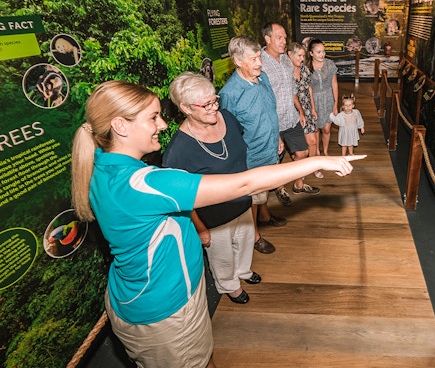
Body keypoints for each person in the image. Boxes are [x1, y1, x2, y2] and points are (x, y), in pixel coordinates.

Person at [71, 79, 362, 368]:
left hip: (138, 297)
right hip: (166, 307)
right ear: (120, 126)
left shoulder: (102, 166)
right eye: (153, 117)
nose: (161, 125)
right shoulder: (146, 184)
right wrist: (318, 162)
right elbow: (244, 184)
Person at [162, 72, 260, 304]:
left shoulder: (227, 117)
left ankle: (244, 271)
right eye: (206, 104)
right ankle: (229, 285)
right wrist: (200, 228)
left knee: (245, 244)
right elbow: (181, 200)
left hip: (242, 203)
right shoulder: (178, 151)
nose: (214, 107)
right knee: (223, 256)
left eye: (215, 100)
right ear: (186, 108)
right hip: (214, 218)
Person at [219, 35, 284, 255]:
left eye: (259, 57)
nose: (259, 63)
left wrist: (278, 138)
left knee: (263, 193)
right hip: (251, 158)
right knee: (253, 200)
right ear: (237, 61)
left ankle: (265, 216)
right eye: (253, 59)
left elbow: (270, 112)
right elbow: (228, 134)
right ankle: (255, 236)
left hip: (270, 149)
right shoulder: (230, 94)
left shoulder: (262, 78)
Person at [261, 22, 320, 204]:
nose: (284, 41)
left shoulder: (286, 60)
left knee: (302, 152)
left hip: (292, 118)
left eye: (285, 37)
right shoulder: (260, 63)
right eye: (280, 37)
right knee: (275, 159)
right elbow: (262, 98)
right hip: (273, 122)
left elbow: (292, 89)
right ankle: (279, 188)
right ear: (268, 39)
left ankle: (298, 184)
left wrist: (301, 111)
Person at [287, 42, 322, 179]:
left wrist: (313, 108)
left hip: (306, 109)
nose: (302, 59)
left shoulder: (304, 69)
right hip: (291, 111)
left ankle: (312, 168)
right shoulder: (285, 72)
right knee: (298, 148)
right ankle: (298, 173)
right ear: (290, 54)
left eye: (303, 55)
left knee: (312, 141)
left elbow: (309, 88)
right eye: (299, 55)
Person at [307, 38, 339, 157]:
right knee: (315, 129)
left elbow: (334, 84)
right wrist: (312, 108)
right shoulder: (306, 67)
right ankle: (317, 152)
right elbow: (308, 88)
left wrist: (335, 103)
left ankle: (325, 151)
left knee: (326, 129)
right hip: (313, 100)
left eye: (323, 51)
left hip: (328, 99)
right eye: (318, 52)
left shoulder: (330, 64)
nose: (322, 54)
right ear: (311, 53)